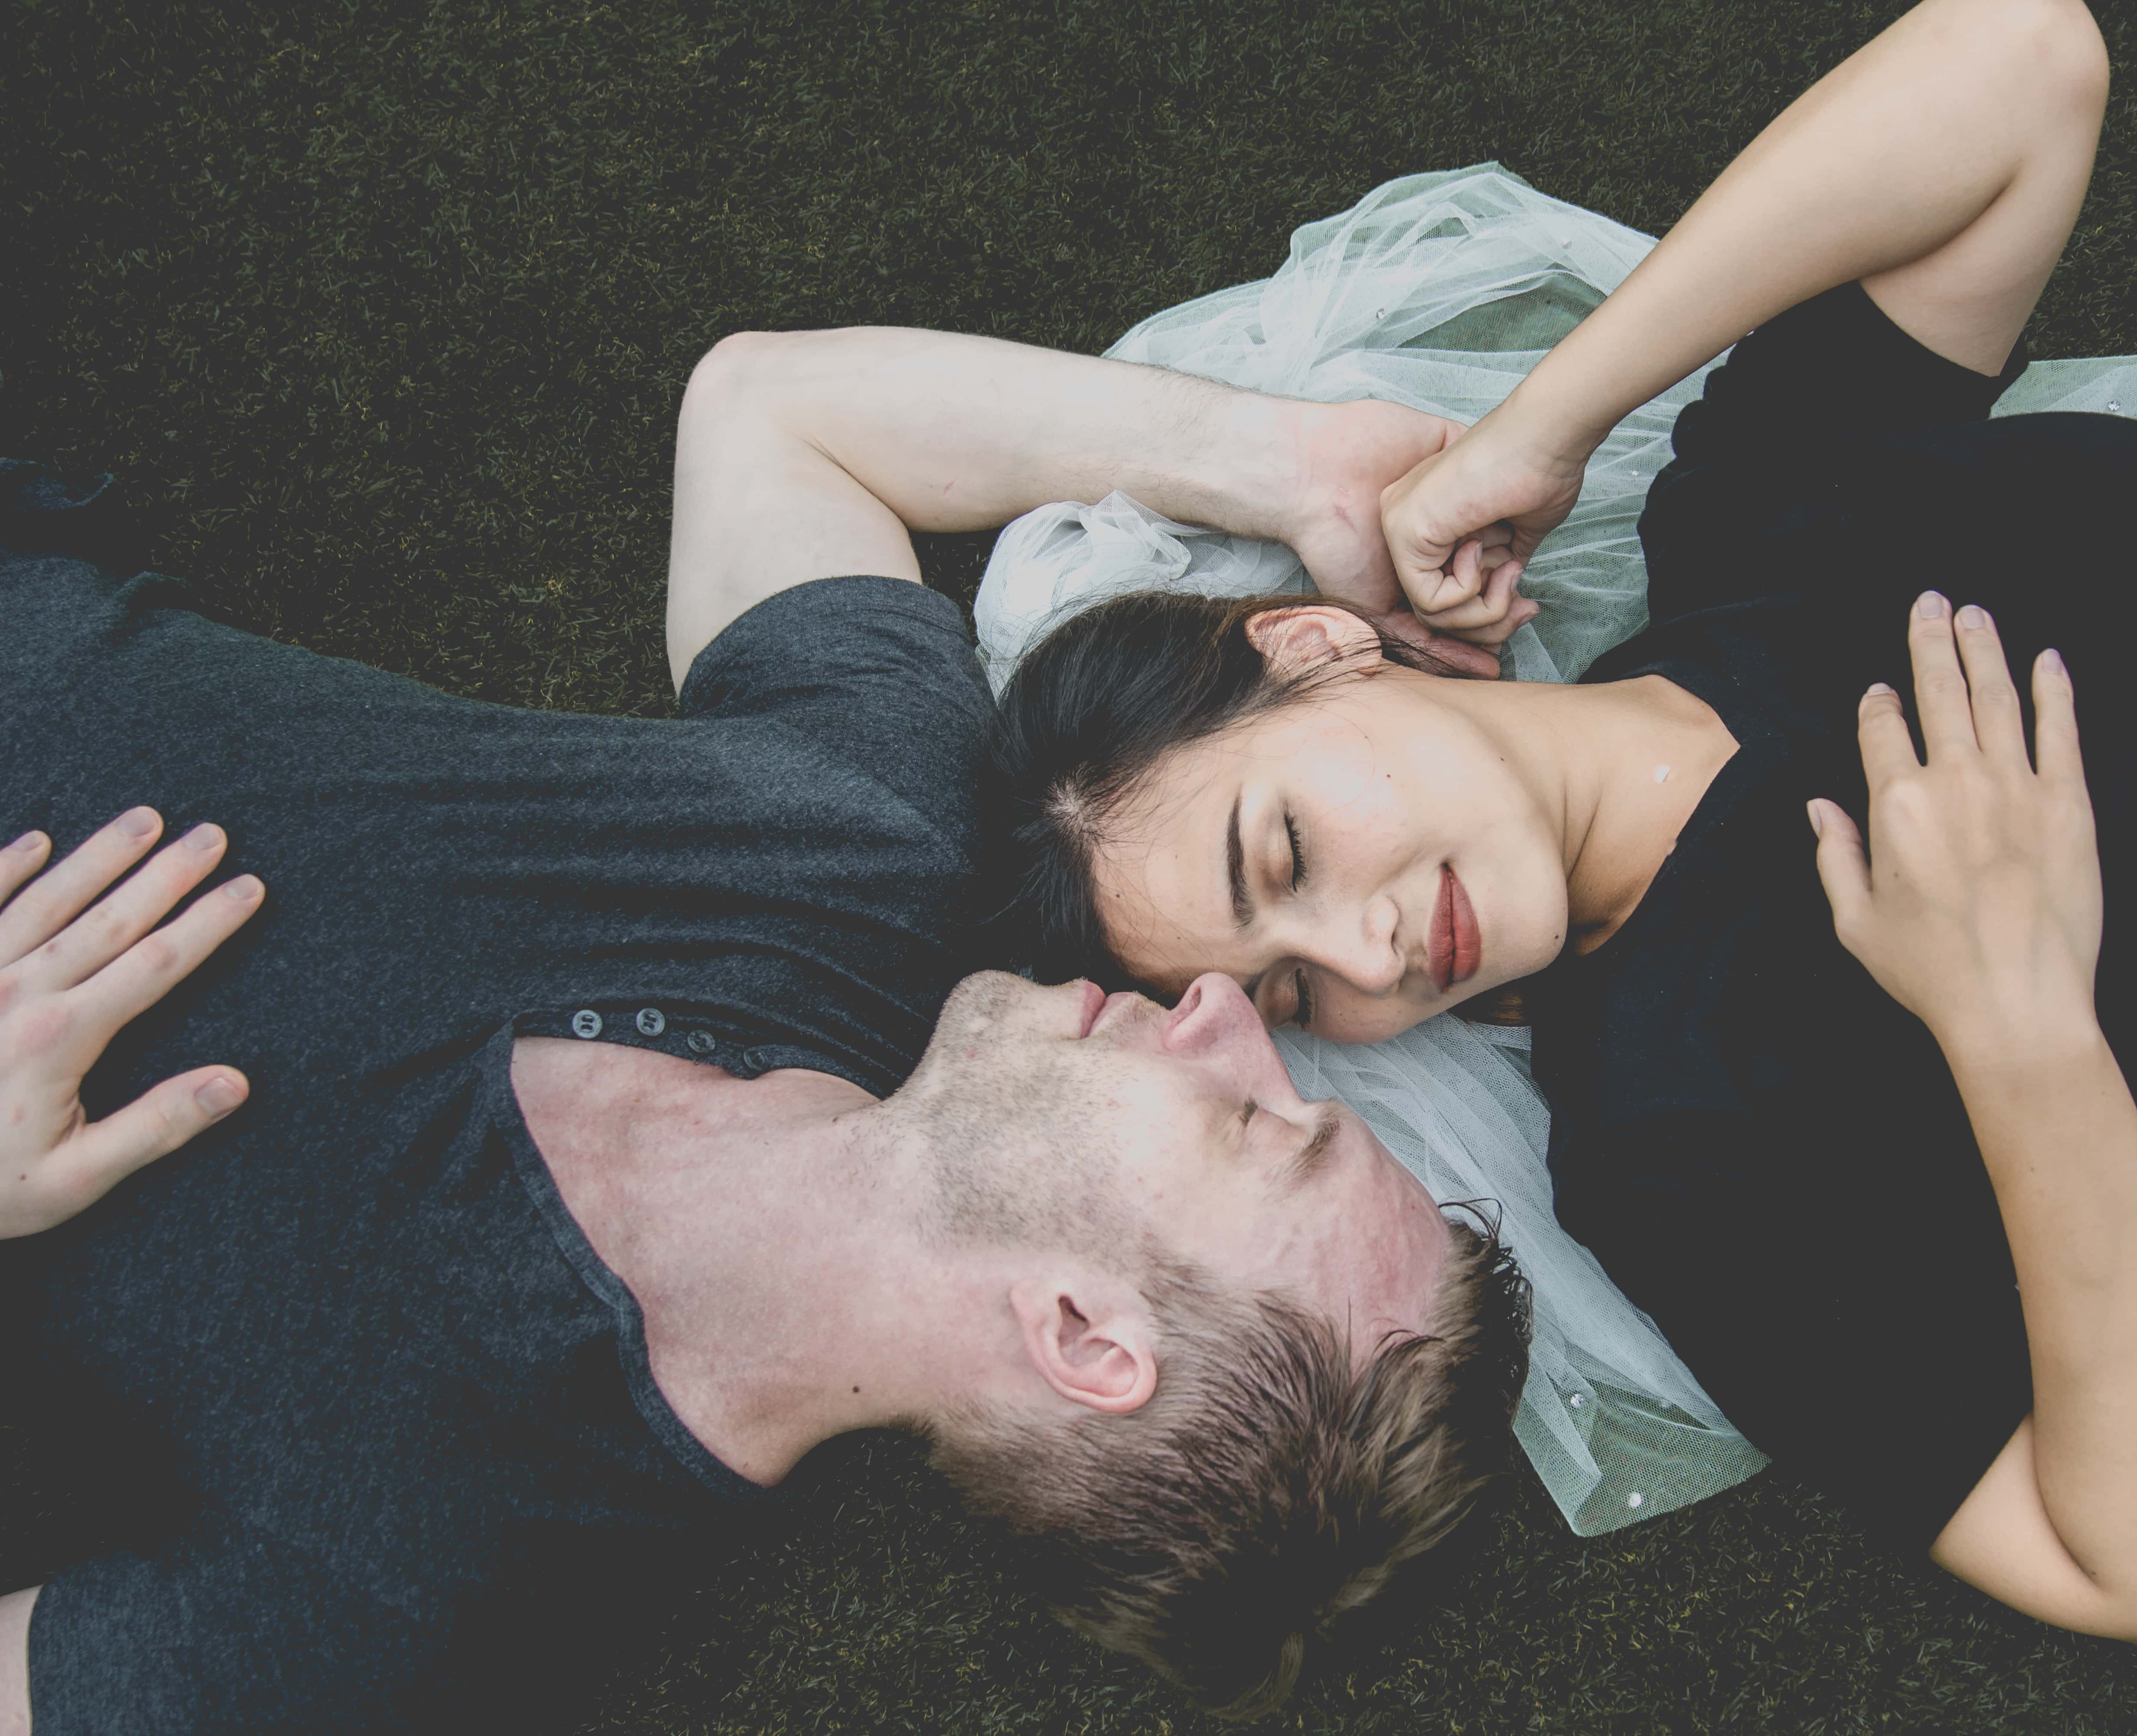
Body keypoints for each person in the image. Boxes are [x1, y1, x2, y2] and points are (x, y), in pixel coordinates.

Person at [987, 0, 2137, 1654]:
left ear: (1316, 646)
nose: (1365, 955)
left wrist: (1551, 421)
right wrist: (2020, 1021)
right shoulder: (1679, 1135)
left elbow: (2026, 61)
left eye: (1287, 857)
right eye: (1291, 995)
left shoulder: (1767, 523)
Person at [0, 314, 1531, 1732]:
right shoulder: (871, 868)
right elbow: (774, 413)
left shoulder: (422, 1571)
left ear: (1083, 1335)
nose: (1214, 1013)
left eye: (1256, 1122)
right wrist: (1294, 462)